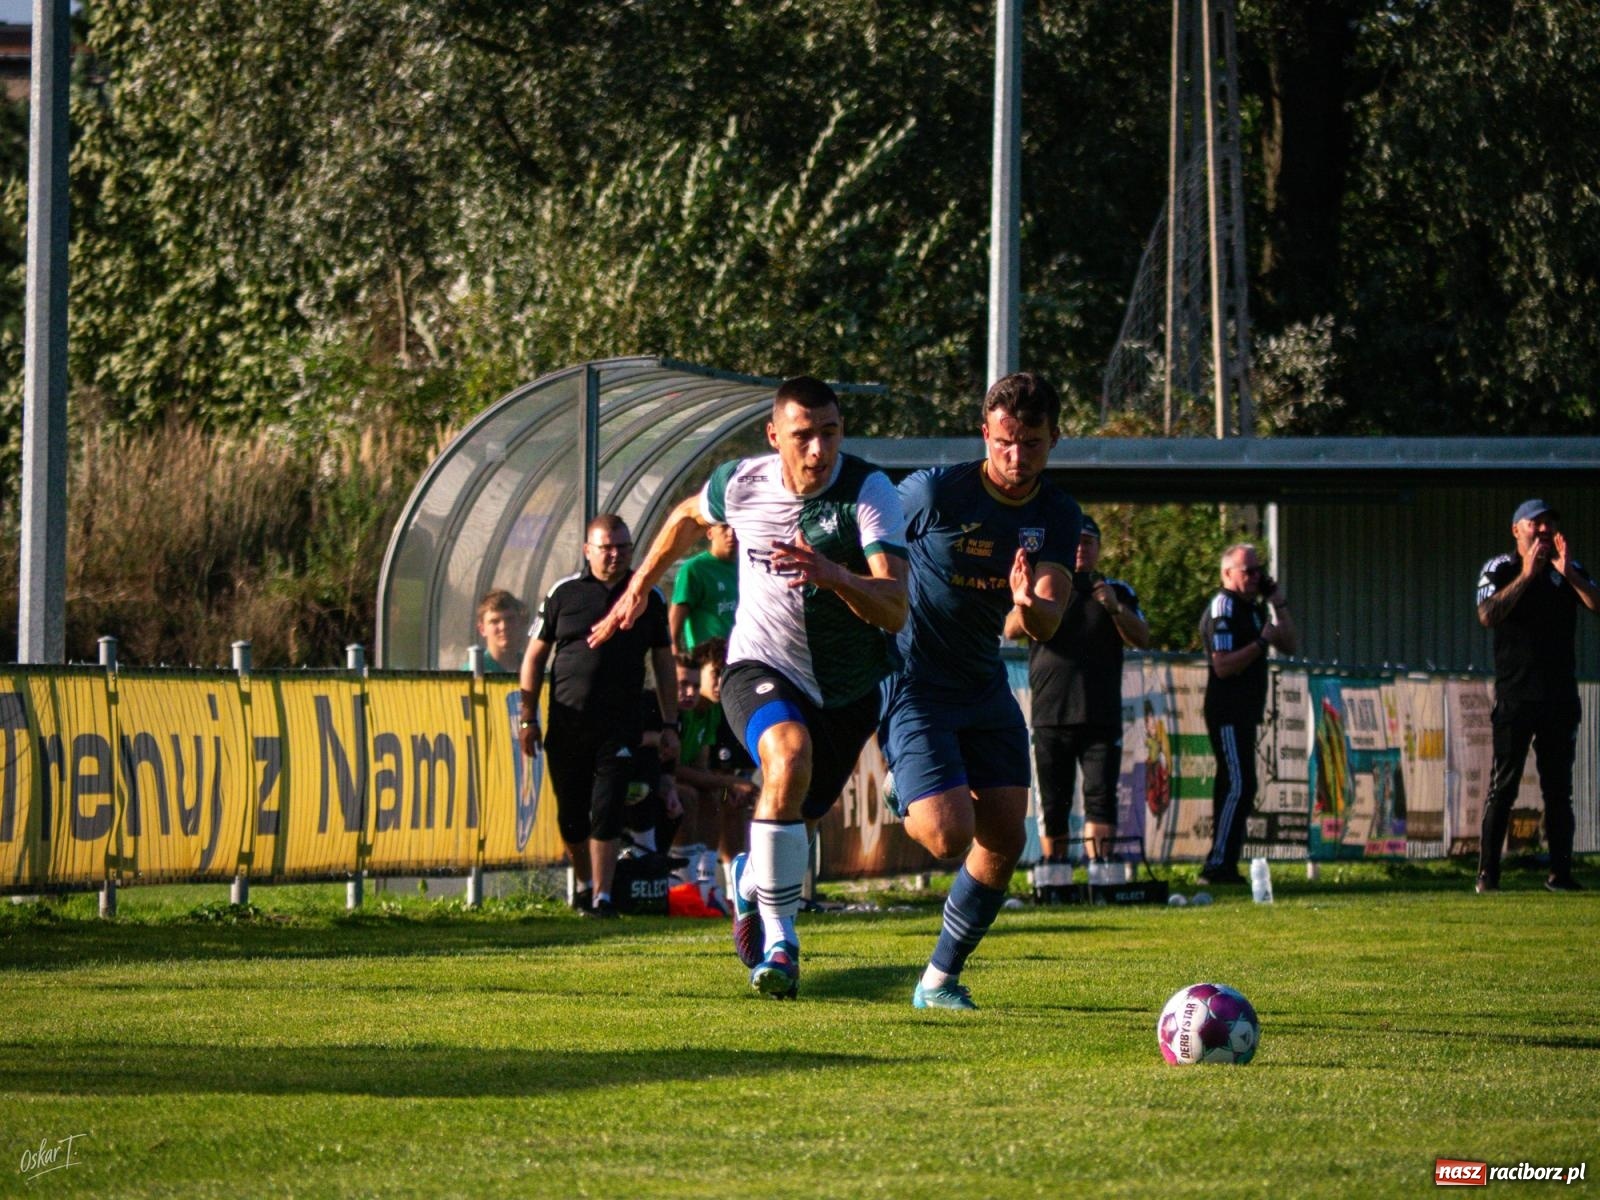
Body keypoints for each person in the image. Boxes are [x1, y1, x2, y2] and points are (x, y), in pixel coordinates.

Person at [590, 375, 908, 997]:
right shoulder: (743, 481)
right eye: (803, 437)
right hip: (758, 665)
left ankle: (749, 883)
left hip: (847, 690)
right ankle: (781, 944)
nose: (819, 450)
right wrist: (640, 585)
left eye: (830, 433)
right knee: (786, 756)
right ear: (773, 437)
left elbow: (894, 607)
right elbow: (686, 515)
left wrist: (831, 574)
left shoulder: (869, 492)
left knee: (796, 815)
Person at [881, 370, 1081, 1011]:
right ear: (985, 435)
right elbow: (871, 535)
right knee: (946, 835)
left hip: (982, 680)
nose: (1016, 458)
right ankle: (902, 787)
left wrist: (1029, 603)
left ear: (1055, 439)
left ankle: (939, 981)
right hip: (913, 678)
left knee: (1004, 838)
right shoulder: (936, 492)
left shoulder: (1057, 514)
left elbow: (1048, 619)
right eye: (1003, 442)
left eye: (1031, 443)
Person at [518, 515, 679, 918]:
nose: (615, 555)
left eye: (623, 547)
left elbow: (662, 663)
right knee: (571, 816)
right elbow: (535, 656)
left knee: (607, 810)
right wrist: (527, 718)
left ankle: (603, 898)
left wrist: (670, 724)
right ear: (588, 550)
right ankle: (585, 883)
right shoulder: (564, 593)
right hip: (568, 724)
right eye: (606, 547)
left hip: (620, 726)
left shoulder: (647, 596)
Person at [1010, 513, 1149, 869]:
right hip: (1050, 714)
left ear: (1099, 548)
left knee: (1100, 798)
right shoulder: (1046, 585)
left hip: (1100, 715)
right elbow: (1010, 629)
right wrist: (1027, 601)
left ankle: (1101, 870)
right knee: (1053, 802)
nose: (1080, 549)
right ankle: (1054, 871)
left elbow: (1142, 637)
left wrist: (1114, 609)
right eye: (1075, 542)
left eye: (1088, 542)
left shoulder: (1117, 589)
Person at [1474, 499, 1599, 893]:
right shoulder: (1501, 569)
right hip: (1516, 697)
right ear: (1517, 530)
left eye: (1549, 524)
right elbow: (1487, 615)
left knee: (1559, 791)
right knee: (1504, 788)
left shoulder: (1570, 568)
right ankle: (1488, 876)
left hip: (1560, 698)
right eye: (1535, 524)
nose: (1544, 530)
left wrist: (1570, 576)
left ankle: (1560, 874)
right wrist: (1528, 574)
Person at [1196, 543, 1297, 886]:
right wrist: (1259, 642)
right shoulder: (1224, 606)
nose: (1256, 577)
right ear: (1227, 574)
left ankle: (1224, 863)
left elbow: (1290, 643)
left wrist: (1277, 601)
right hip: (1227, 710)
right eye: (1248, 571)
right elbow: (1222, 665)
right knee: (1239, 784)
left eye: (1259, 570)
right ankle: (1217, 864)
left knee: (1237, 784)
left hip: (1246, 711)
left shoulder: (1253, 609)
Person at [670, 522, 739, 656]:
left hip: (743, 660)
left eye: (735, 526)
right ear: (709, 533)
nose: (731, 533)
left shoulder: (747, 567)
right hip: (709, 662)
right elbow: (674, 624)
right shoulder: (695, 569)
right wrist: (677, 662)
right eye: (724, 527)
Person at [465, 588, 527, 673]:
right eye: (495, 621)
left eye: (510, 619)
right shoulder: (472, 672)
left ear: (520, 622)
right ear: (482, 629)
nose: (503, 627)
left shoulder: (535, 667)